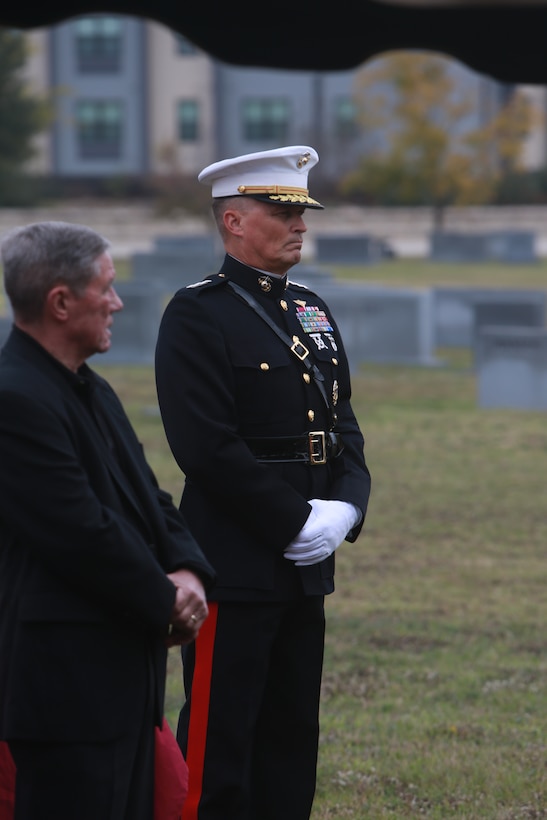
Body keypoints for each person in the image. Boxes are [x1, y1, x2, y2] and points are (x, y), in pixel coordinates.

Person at [154, 145, 372, 820]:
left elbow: (343, 427)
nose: (298, 224)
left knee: (288, 741)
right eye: (281, 211)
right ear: (233, 222)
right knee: (221, 743)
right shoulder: (196, 314)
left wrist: (345, 509)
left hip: (306, 566)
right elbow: (206, 448)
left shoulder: (309, 308)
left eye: (300, 211)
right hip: (237, 562)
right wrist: (293, 521)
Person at [0, 221, 216, 820]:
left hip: (119, 675)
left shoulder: (87, 388)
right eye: (107, 287)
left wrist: (189, 572)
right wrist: (165, 600)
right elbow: (79, 531)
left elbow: (149, 499)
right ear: (61, 302)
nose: (118, 302)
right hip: (65, 687)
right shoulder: (15, 398)